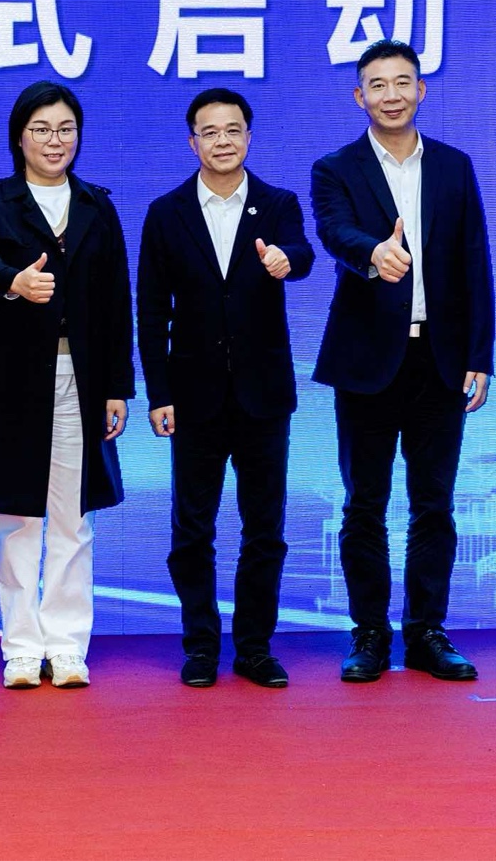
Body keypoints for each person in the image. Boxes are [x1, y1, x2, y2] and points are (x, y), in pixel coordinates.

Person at [0, 81, 134, 689]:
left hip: (81, 378)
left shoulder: (96, 205)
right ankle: (20, 645)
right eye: (41, 129)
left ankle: (66, 645)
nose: (54, 140)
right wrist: (13, 281)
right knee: (17, 516)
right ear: (19, 136)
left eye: (65, 129)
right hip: (11, 377)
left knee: (73, 516)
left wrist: (117, 386)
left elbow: (116, 302)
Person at [311, 39, 494, 683]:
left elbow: (475, 260)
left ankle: (426, 632)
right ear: (359, 96)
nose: (391, 95)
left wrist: (479, 354)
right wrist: (373, 253)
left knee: (434, 503)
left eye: (402, 82)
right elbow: (333, 230)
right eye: (377, 85)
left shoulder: (453, 165)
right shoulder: (335, 167)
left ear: (421, 90)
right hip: (366, 359)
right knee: (364, 503)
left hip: (440, 359)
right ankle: (368, 633)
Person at [137, 87, 313, 689]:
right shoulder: (166, 213)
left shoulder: (277, 203)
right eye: (209, 132)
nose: (222, 141)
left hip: (264, 396)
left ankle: (255, 648)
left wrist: (286, 260)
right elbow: (151, 310)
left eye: (233, 130)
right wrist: (158, 393)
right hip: (193, 396)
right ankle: (201, 646)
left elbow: (302, 252)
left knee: (265, 529)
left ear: (249, 137)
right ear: (193, 142)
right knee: (192, 529)